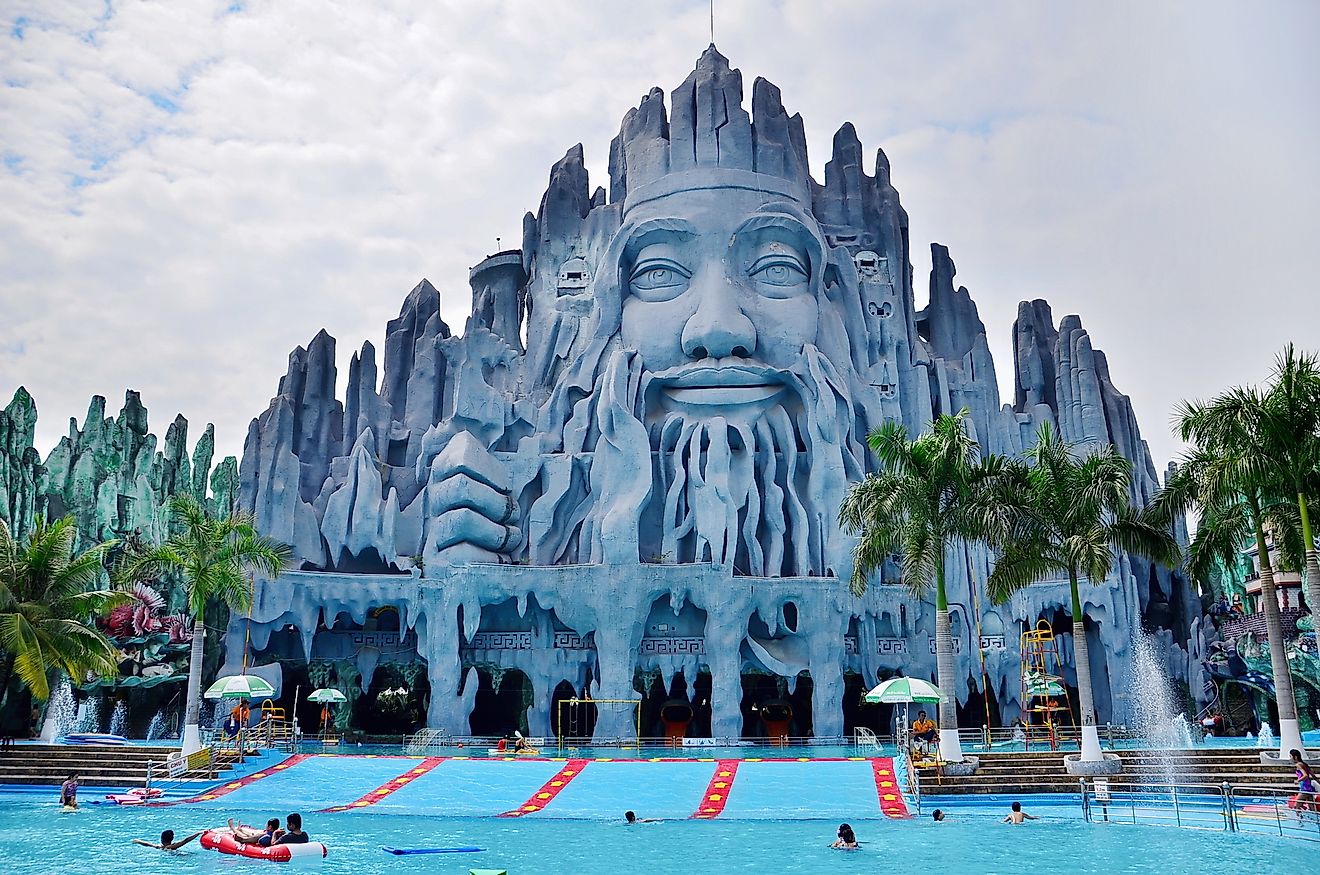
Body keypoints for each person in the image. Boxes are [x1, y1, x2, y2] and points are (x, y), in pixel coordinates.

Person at [133, 829, 203, 851]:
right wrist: (198, 833)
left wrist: (138, 841)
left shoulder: (159, 847)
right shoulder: (171, 847)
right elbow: (185, 840)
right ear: (172, 838)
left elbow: (147, 844)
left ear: (162, 840)